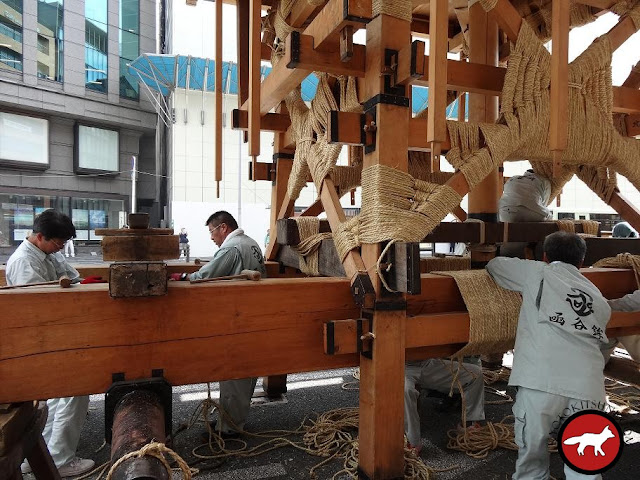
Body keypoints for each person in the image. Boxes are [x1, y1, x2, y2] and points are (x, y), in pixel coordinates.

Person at [486, 231, 611, 480]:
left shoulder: (537, 272)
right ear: (582, 262)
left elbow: (494, 266)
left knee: (531, 462)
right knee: (585, 466)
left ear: (544, 256)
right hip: (589, 387)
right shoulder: (598, 296)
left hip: (540, 383)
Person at [6, 210, 95, 477]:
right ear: (40, 236)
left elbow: (73, 277)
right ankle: (60, 459)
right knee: (73, 392)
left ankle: (46, 452)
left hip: (57, 335)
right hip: (44, 338)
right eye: (58, 242)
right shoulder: (23, 262)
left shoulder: (47, 253)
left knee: (60, 397)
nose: (60, 247)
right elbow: (36, 309)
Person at [170, 211, 266, 437]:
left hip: (237, 317)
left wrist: (181, 278)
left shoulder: (231, 248)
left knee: (234, 373)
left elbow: (205, 276)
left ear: (223, 228)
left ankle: (230, 428)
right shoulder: (251, 244)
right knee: (244, 373)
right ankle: (230, 420)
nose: (212, 237)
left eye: (212, 232)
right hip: (253, 314)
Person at [404, 359, 485, 454]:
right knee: (405, 391)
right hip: (400, 366)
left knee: (475, 374)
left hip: (427, 363)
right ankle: (412, 442)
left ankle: (468, 424)